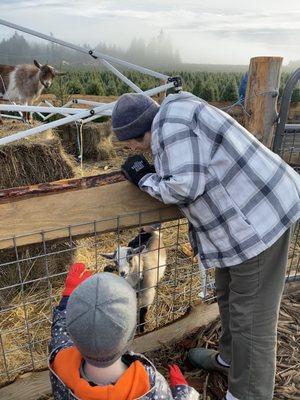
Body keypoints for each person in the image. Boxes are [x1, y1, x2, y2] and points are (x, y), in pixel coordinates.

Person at [111, 91, 300, 400]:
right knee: (227, 293)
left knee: (251, 318)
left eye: (126, 143)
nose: (129, 149)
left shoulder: (169, 128)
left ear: (137, 131)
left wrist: (144, 177)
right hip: (241, 221)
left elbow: (185, 186)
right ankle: (229, 360)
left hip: (258, 221)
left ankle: (248, 392)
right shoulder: (174, 113)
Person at [49, 262, 199, 400]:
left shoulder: (60, 361)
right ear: (130, 335)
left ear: (73, 333)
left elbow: (60, 329)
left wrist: (69, 299)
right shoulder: (150, 385)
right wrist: (183, 392)